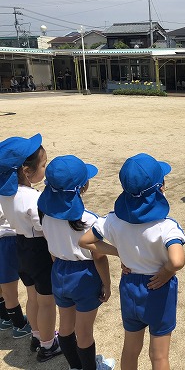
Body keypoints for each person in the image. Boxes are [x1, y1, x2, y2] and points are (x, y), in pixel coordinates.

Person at [79, 153, 185, 370]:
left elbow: (85, 241)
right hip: (159, 289)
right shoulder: (166, 226)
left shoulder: (113, 220)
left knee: (130, 348)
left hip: (130, 288)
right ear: (161, 188)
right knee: (159, 356)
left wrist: (118, 252)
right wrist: (166, 272)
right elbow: (176, 261)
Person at [37, 155, 116, 370]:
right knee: (84, 332)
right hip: (84, 276)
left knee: (65, 326)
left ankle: (75, 366)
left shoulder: (44, 213)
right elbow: (99, 256)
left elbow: (50, 246)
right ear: (82, 188)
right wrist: (107, 284)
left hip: (59, 271)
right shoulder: (89, 219)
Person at [0, 134, 62, 361]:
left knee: (32, 297)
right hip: (38, 250)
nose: (46, 168)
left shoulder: (6, 195)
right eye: (43, 165)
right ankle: (48, 345)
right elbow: (45, 228)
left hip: (20, 246)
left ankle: (37, 335)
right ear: (26, 171)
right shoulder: (32, 198)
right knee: (47, 301)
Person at [0, 202, 27, 338]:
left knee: (2, 286)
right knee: (9, 289)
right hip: (5, 240)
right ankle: (19, 325)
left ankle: (5, 318)